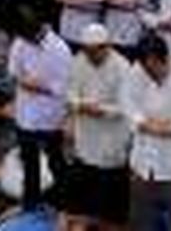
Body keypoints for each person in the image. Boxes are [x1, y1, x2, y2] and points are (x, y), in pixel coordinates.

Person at [124, 32, 171, 231]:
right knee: (141, 221)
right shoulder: (136, 72)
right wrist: (151, 124)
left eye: (154, 68)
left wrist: (146, 123)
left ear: (165, 58)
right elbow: (129, 109)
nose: (151, 74)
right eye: (146, 69)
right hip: (142, 161)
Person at [64, 24, 131, 231]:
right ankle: (85, 220)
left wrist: (99, 110)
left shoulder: (123, 67)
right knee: (85, 185)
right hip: (86, 136)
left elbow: (125, 107)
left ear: (106, 47)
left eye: (95, 52)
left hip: (112, 139)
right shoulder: (79, 62)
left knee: (111, 191)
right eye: (87, 52)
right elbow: (69, 92)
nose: (91, 57)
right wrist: (79, 105)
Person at [7, 6, 71, 211]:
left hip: (50, 116)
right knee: (29, 161)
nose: (24, 41)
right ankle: (31, 198)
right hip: (25, 114)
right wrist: (29, 83)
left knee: (56, 160)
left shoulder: (60, 49)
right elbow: (14, 71)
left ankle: (63, 199)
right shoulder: (20, 42)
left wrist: (34, 85)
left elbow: (62, 87)